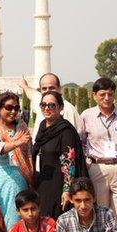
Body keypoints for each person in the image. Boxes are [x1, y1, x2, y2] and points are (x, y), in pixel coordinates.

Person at [77, 77, 117, 232]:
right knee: (98, 215)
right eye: (102, 94)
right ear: (94, 95)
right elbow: (80, 142)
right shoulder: (87, 116)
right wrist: (88, 163)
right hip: (98, 168)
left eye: (110, 94)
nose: (107, 98)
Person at [31, 90, 86, 220]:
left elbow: (69, 162)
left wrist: (66, 190)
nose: (46, 108)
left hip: (58, 185)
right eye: (43, 105)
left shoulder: (65, 131)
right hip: (43, 182)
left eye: (51, 105)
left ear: (60, 107)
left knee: (54, 220)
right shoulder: (43, 126)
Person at [0, 91, 33, 227]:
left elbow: (29, 153)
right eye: (9, 108)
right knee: (2, 217)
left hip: (20, 177)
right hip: (0, 178)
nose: (13, 111)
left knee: (18, 216)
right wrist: (16, 142)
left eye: (16, 108)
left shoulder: (21, 126)